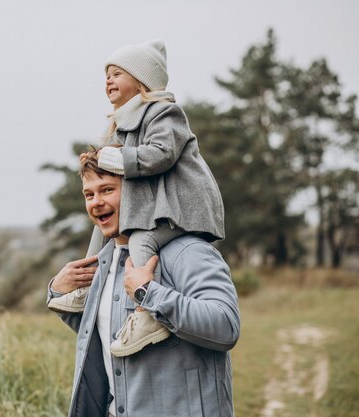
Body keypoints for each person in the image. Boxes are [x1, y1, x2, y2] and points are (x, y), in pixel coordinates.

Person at [48, 40, 225, 357]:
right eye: (106, 76)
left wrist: (115, 160)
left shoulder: (165, 112)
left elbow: (162, 154)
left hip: (181, 206)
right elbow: (96, 332)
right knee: (101, 236)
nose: (108, 81)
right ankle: (87, 284)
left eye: (117, 73)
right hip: (154, 204)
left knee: (142, 240)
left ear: (142, 80)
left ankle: (146, 314)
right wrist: (93, 160)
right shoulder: (122, 122)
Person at [47, 149, 240, 417]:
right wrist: (58, 293)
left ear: (138, 193)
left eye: (107, 190)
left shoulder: (188, 252)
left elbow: (226, 326)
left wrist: (149, 293)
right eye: (89, 194)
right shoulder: (105, 262)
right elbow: (108, 333)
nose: (96, 202)